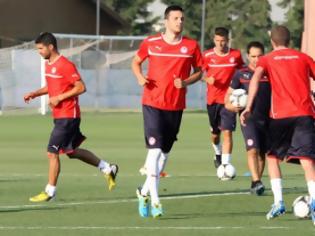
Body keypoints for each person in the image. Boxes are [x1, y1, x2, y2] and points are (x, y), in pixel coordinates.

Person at [24, 32, 118, 202]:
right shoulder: (49, 64)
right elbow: (53, 86)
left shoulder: (65, 65)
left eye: (40, 48)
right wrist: (35, 93)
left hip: (68, 115)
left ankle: (50, 191)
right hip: (60, 116)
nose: (38, 51)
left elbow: (81, 87)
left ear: (50, 47)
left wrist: (59, 98)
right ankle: (107, 168)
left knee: (52, 153)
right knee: (72, 152)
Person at [131, 5, 203, 218]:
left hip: (176, 106)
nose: (180, 22)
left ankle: (143, 191)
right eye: (175, 18)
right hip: (152, 103)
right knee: (154, 151)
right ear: (166, 21)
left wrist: (186, 81)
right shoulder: (151, 43)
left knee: (165, 153)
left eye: (182, 18)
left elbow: (199, 72)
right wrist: (140, 77)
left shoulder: (191, 46)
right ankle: (155, 200)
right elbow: (135, 62)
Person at [240, 26, 315, 224]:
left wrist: (248, 106)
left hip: (280, 116)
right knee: (307, 160)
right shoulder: (303, 57)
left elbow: (255, 78)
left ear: (272, 42)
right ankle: (314, 202)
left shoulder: (267, 59)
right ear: (290, 41)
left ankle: (278, 202)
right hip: (305, 114)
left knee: (272, 157)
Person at [225, 41, 270, 195]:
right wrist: (232, 107)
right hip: (248, 119)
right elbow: (227, 99)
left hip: (269, 119)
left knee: (262, 153)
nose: (256, 59)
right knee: (252, 150)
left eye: (259, 56)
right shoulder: (240, 74)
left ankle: (255, 181)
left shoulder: (270, 72)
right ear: (247, 56)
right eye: (253, 56)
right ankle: (257, 181)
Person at [203, 27, 244, 170]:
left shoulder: (236, 55)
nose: (220, 44)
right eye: (218, 41)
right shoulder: (207, 55)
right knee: (215, 134)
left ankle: (226, 166)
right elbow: (199, 74)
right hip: (212, 100)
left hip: (229, 101)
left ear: (228, 40)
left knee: (227, 132)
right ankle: (217, 153)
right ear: (214, 40)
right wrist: (207, 79)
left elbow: (242, 72)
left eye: (223, 41)